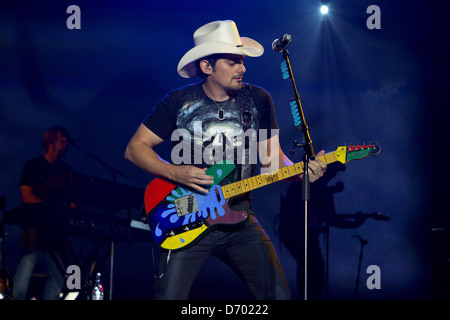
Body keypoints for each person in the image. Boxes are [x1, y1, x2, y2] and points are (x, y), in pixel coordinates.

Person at [124, 20, 327, 300]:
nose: (242, 68)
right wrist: (176, 173)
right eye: (232, 62)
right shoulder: (178, 102)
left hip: (240, 219)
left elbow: (272, 165)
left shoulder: (258, 100)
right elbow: (135, 148)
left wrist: (304, 171)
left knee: (278, 296)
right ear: (207, 67)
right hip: (186, 217)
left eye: (241, 61)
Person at [13, 126, 73, 300]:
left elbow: (72, 200)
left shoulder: (66, 170)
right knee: (26, 266)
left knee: (61, 274)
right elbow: (26, 196)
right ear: (51, 142)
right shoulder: (33, 166)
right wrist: (49, 208)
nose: (66, 144)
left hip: (56, 229)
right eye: (63, 140)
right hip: (34, 225)